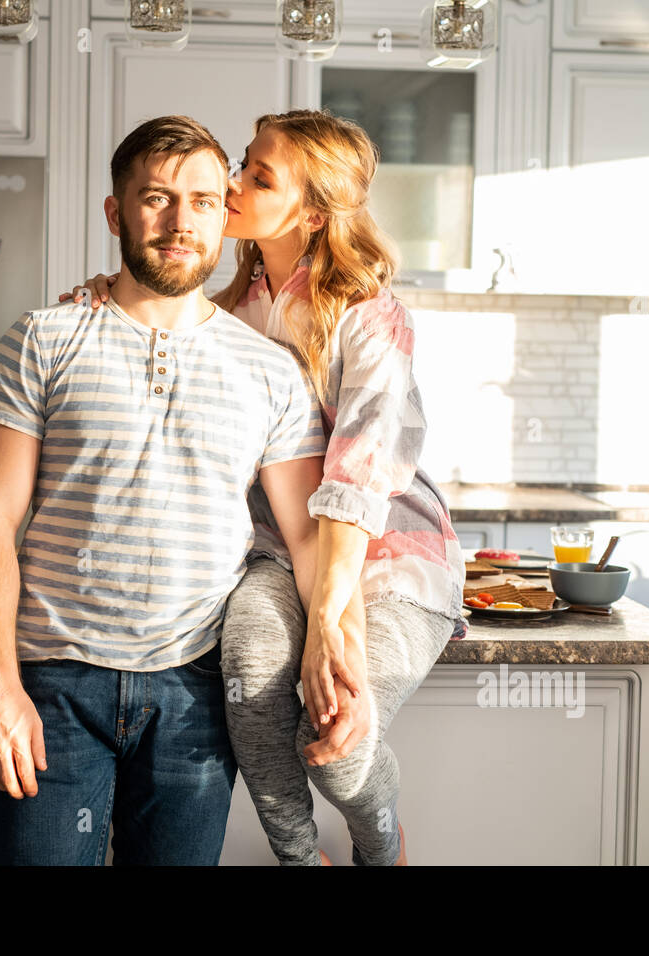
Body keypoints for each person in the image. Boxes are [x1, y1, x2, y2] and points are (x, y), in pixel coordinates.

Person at [60, 109, 469, 866]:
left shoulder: (369, 316)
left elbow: (356, 479)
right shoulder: (229, 313)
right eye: (244, 163)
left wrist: (327, 628)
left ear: (312, 213)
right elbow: (154, 327)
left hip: (387, 558)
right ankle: (296, 856)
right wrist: (99, 302)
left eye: (259, 175)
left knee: (339, 729)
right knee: (248, 680)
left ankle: (381, 846)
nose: (235, 181)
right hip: (278, 556)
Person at [0, 114, 340, 866]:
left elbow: (305, 537)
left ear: (224, 214)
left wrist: (333, 650)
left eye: (201, 200)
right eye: (156, 198)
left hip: (197, 690)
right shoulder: (42, 338)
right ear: (115, 212)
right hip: (53, 685)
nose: (179, 221)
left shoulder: (269, 369)